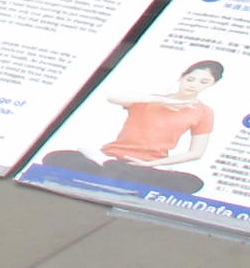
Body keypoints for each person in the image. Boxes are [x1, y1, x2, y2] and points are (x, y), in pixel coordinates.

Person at [50, 61, 227, 192]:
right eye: (191, 78)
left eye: (203, 82)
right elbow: (113, 97)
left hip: (147, 165)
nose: (194, 84)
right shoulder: (148, 100)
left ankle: (111, 175)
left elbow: (196, 152)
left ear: (213, 84)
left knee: (192, 182)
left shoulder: (204, 112)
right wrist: (162, 100)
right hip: (111, 156)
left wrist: (153, 164)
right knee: (57, 157)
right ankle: (114, 172)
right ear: (182, 77)